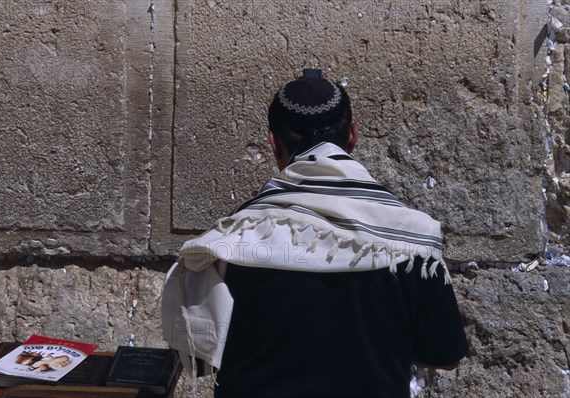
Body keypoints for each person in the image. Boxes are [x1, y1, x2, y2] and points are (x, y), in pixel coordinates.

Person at [162, 69, 468, 398]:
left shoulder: (234, 239)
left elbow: (200, 353)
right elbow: (445, 355)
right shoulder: (410, 236)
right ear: (353, 136)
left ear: (273, 141)